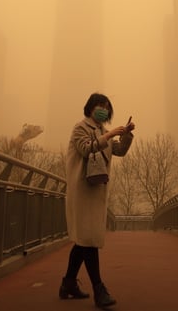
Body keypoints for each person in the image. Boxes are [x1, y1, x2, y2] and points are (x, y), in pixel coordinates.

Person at [59, 92, 135, 308]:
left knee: (84, 239)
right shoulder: (80, 128)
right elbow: (85, 148)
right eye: (99, 106)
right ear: (90, 108)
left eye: (106, 107)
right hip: (82, 192)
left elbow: (118, 151)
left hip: (96, 191)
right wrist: (109, 136)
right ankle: (99, 289)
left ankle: (68, 284)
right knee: (89, 240)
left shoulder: (103, 131)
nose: (103, 110)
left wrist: (126, 135)